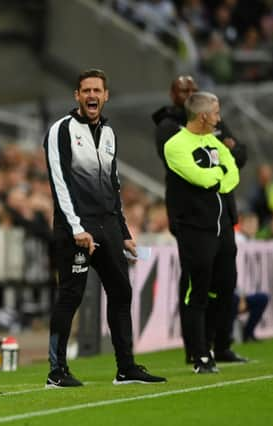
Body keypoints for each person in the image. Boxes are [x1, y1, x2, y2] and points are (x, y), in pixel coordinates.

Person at [43, 68, 166, 387]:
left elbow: (113, 184)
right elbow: (59, 182)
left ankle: (126, 368)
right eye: (86, 91)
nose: (92, 96)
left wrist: (123, 231)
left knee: (122, 292)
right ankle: (57, 371)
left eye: (97, 91)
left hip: (108, 227)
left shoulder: (110, 134)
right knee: (71, 295)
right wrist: (75, 227)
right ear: (77, 96)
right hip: (77, 230)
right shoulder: (62, 130)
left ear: (106, 95)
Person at [153, 75, 248, 364]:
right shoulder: (172, 138)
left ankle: (218, 344)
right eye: (216, 113)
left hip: (222, 222)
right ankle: (197, 350)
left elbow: (235, 168)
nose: (220, 119)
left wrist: (219, 177)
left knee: (225, 284)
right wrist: (220, 176)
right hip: (194, 223)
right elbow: (201, 177)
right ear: (205, 116)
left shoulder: (211, 137)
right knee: (196, 287)